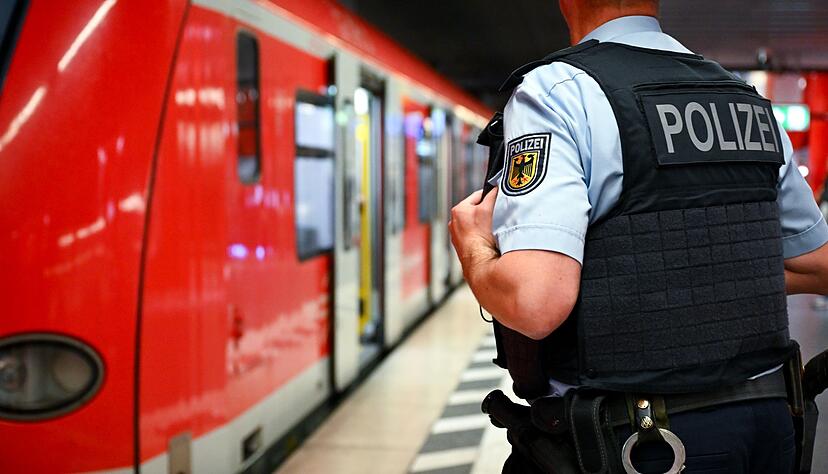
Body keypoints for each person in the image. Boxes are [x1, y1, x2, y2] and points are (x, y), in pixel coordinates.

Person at [449, 0, 828, 472]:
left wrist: (473, 248)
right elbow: (817, 265)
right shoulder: (745, 99)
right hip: (771, 430)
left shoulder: (558, 92)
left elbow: (536, 301)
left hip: (643, 444)